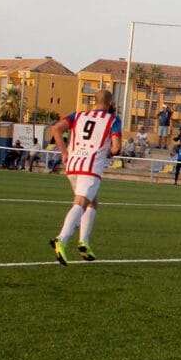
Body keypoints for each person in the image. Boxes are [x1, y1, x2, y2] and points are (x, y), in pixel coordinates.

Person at [45, 89, 123, 265]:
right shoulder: (113, 120)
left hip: (73, 165)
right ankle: (61, 239)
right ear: (110, 103)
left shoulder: (78, 115)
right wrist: (109, 153)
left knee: (92, 203)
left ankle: (84, 242)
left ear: (94, 101)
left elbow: (56, 129)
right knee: (80, 203)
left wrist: (64, 152)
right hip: (91, 167)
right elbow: (116, 147)